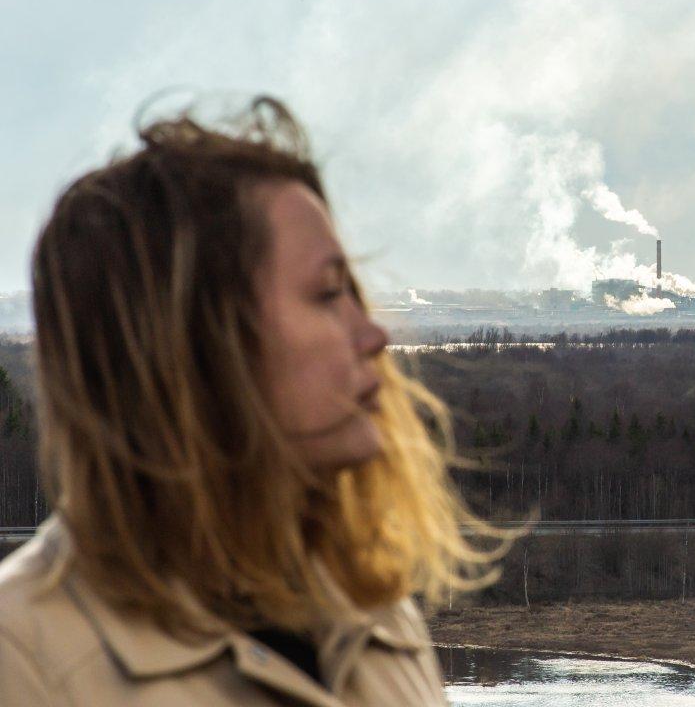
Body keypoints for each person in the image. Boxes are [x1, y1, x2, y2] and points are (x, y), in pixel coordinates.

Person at [0, 96, 504, 705]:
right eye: (325, 294)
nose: (373, 336)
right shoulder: (25, 661)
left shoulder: (371, 612)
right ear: (191, 343)